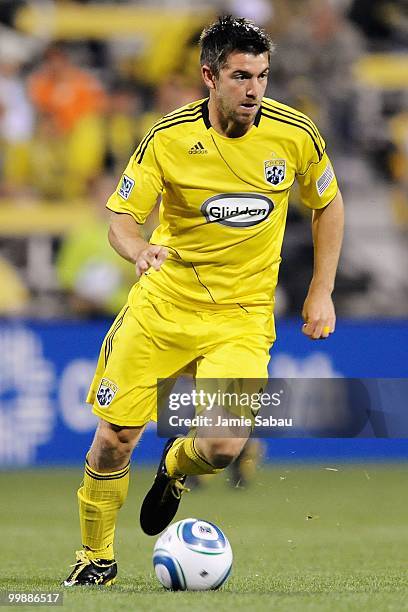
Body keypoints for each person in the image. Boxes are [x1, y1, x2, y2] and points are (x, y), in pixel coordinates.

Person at [63, 15, 344, 586]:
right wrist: (138, 248)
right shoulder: (168, 138)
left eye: (263, 77)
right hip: (163, 308)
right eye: (241, 77)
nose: (255, 91)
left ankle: (173, 467)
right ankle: (95, 560)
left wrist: (321, 290)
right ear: (209, 76)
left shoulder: (295, 134)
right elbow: (120, 216)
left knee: (219, 446)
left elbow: (328, 204)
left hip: (240, 318)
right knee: (114, 440)